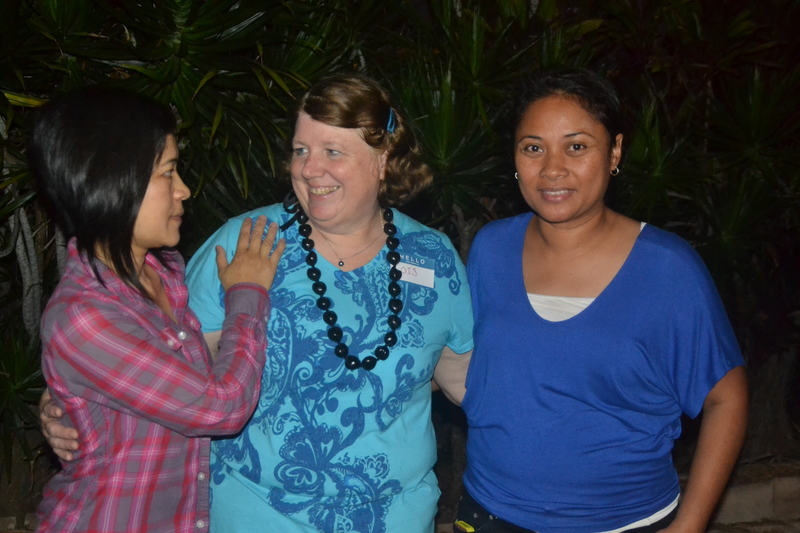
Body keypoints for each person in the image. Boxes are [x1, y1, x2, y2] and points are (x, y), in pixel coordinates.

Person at [41, 74, 474, 533]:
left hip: (396, 517)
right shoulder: (245, 245)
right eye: (301, 150)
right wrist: (64, 396)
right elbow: (164, 360)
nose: (309, 169)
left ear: (383, 159)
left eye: (332, 152)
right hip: (254, 515)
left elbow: (464, 381)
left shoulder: (432, 256)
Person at [456, 67, 748, 533]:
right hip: (490, 511)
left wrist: (689, 526)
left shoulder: (666, 268)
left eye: (577, 146)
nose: (552, 169)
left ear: (614, 151)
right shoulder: (490, 250)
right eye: (533, 147)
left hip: (625, 521)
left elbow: (726, 400)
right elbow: (468, 366)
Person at [29, 87, 284, 533]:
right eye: (168, 173)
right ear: (114, 179)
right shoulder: (83, 317)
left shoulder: (164, 272)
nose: (184, 190)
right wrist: (246, 294)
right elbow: (219, 409)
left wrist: (63, 399)